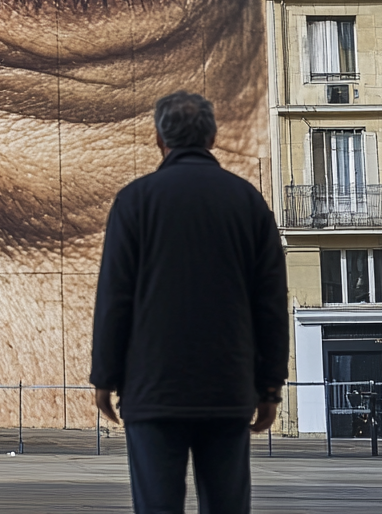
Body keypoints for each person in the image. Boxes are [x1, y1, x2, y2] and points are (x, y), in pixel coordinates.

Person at [91, 91, 288, 514]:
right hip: (227, 387)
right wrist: (270, 384)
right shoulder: (247, 202)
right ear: (213, 137)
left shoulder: (135, 201)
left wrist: (104, 375)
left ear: (160, 140)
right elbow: (270, 301)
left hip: (153, 388)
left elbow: (115, 296)